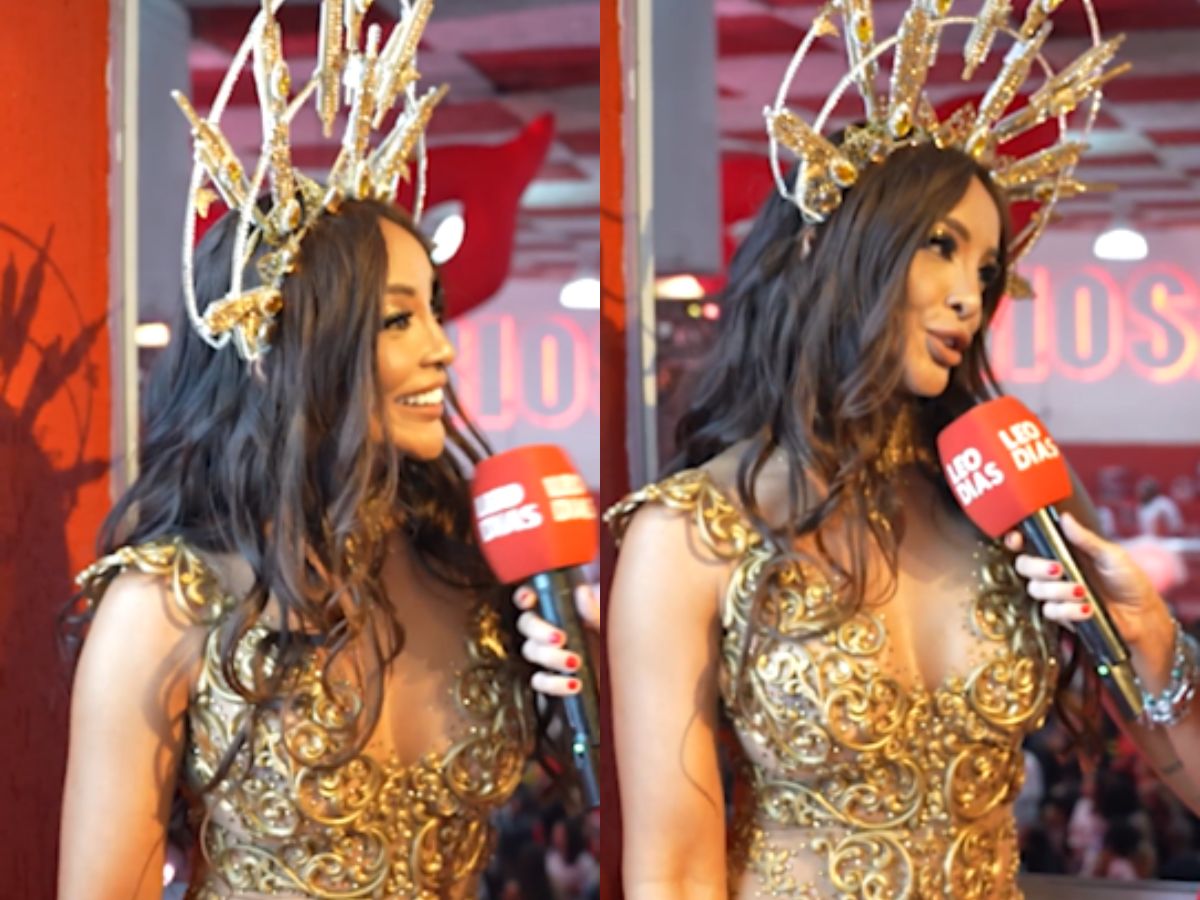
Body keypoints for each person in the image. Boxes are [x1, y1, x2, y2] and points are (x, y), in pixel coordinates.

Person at [606, 3, 1200, 897]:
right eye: (938, 246)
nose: (970, 295)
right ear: (826, 248)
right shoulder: (691, 533)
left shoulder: (1011, 488)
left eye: (987, 270)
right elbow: (677, 873)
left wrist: (1148, 631)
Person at [56, 4, 596, 898]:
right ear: (281, 355)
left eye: (434, 311)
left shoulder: (463, 561)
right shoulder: (168, 603)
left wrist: (580, 685)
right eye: (397, 321)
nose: (442, 349)